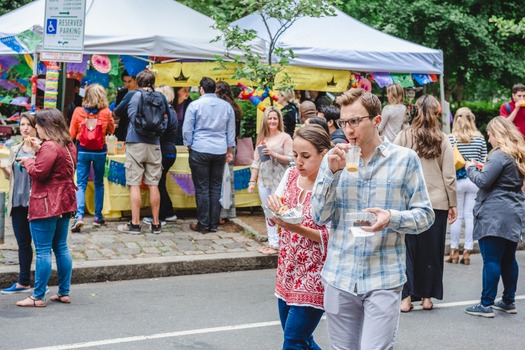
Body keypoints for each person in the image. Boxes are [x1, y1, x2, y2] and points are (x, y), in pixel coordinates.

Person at [311, 88, 434, 349]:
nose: (348, 129)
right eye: (344, 122)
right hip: (340, 274)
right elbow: (319, 217)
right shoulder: (333, 160)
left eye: (355, 121)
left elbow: (425, 216)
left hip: (383, 276)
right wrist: (331, 174)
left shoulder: (404, 159)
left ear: (377, 121)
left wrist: (392, 217)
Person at [265, 125, 330, 350]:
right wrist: (273, 208)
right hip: (287, 270)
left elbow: (331, 235)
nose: (298, 162)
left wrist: (294, 227)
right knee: (302, 340)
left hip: (315, 275)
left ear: (324, 154)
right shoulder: (291, 174)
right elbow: (277, 210)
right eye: (295, 155)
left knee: (292, 342)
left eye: (306, 156)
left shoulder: (330, 185)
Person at [394, 94, 457, 312]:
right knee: (432, 252)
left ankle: (406, 298)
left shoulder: (403, 136)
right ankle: (427, 297)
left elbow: (393, 165)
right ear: (436, 113)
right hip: (436, 202)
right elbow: (449, 175)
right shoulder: (442, 138)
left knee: (407, 250)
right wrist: (453, 203)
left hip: (408, 201)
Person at [465, 117, 525, 318]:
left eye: (490, 134)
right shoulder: (516, 154)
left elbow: (483, 181)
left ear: (497, 134)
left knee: (491, 259)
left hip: (495, 213)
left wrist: (470, 168)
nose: (488, 139)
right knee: (508, 259)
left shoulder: (499, 155)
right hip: (514, 210)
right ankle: (509, 301)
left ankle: (485, 304)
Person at [16, 108, 77, 307]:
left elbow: (40, 172)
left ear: (46, 126)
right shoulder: (68, 144)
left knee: (43, 250)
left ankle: (37, 296)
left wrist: (28, 162)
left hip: (46, 201)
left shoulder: (50, 146)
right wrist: (37, 151)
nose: (37, 130)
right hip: (65, 199)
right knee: (61, 247)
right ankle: (63, 292)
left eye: (39, 126)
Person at [114, 70, 177, 234]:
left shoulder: (133, 95)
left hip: (135, 143)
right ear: (153, 82)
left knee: (134, 183)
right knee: (154, 184)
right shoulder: (161, 97)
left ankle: (135, 224)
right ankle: (156, 224)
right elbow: (168, 121)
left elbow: (117, 112)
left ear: (138, 82)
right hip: (155, 144)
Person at [183, 77, 235, 233]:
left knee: (202, 188)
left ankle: (203, 223)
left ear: (201, 89)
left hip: (199, 148)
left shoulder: (195, 105)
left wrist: (189, 144)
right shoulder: (226, 107)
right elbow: (231, 131)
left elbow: (187, 129)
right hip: (219, 149)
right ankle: (213, 223)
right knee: (215, 187)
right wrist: (229, 150)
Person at [69, 84, 115, 232]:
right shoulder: (107, 112)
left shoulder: (78, 111)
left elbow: (71, 133)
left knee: (81, 184)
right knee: (98, 183)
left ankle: (79, 216)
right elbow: (111, 130)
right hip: (100, 151)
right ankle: (97, 217)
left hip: (82, 151)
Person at [0, 113, 37, 294]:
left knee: (41, 243)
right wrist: (4, 168)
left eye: (29, 124)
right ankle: (23, 281)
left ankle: (40, 282)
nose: (25, 128)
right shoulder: (16, 148)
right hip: (17, 202)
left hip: (35, 202)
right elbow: (11, 177)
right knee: (23, 243)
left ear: (36, 127)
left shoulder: (41, 149)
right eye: (22, 124)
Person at [248, 107, 293, 255]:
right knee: (267, 212)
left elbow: (291, 160)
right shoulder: (262, 139)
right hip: (264, 181)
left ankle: (280, 242)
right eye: (270, 118)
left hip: (279, 181)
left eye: (275, 118)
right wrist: (252, 181)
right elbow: (256, 162)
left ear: (279, 120)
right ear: (265, 120)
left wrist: (273, 154)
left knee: (278, 211)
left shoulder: (285, 137)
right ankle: (272, 242)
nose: (272, 121)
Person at [446, 107, 487, 265]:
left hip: (456, 180)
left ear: (456, 119)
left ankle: (454, 251)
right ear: (472, 119)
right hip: (474, 180)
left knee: (456, 216)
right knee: (470, 217)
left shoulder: (450, 138)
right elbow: (484, 161)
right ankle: (468, 252)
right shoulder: (480, 138)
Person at [142, 85, 179, 226]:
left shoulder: (166, 113)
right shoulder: (171, 111)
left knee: (158, 184)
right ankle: (169, 212)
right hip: (169, 150)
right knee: (161, 182)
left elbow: (161, 132)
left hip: (164, 151)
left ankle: (161, 216)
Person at [215, 81, 243, 223]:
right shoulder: (235, 108)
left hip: (224, 147)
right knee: (228, 179)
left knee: (221, 180)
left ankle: (221, 212)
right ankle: (228, 212)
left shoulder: (222, 108)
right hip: (233, 146)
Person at [114, 70, 139, 141]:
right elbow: (115, 112)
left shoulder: (142, 92)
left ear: (136, 80)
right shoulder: (122, 92)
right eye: (125, 81)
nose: (127, 84)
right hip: (123, 126)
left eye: (129, 81)